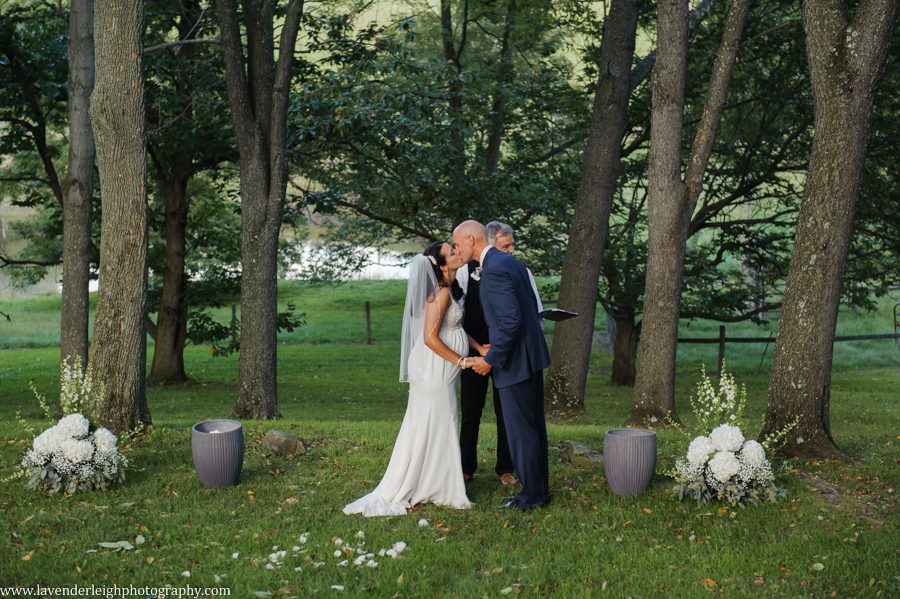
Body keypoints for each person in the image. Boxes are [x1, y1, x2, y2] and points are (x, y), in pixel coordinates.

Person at [344, 241, 483, 517]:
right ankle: (438, 485)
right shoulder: (439, 294)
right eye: (451, 252)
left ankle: (436, 480)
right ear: (442, 266)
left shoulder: (452, 289)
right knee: (439, 419)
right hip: (434, 367)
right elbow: (430, 338)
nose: (457, 252)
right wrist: (463, 360)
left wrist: (478, 347)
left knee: (440, 420)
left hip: (443, 366)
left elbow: (452, 326)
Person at [452, 221, 552, 510]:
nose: (457, 249)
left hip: (514, 362)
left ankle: (531, 496)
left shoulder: (494, 268)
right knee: (533, 429)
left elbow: (510, 321)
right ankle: (538, 490)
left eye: (458, 244)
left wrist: (490, 360)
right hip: (529, 357)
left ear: (471, 239)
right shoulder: (511, 262)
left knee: (521, 432)